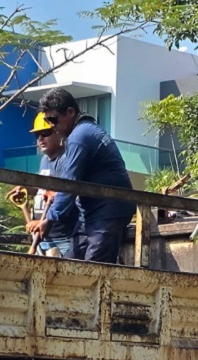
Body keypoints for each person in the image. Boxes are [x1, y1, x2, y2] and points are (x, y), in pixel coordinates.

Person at [27, 87, 136, 263]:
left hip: (108, 210)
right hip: (90, 212)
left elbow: (69, 183)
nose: (52, 126)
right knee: (72, 264)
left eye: (53, 119)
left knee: (94, 269)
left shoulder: (80, 136)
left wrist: (49, 219)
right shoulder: (83, 131)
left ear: (70, 112)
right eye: (48, 121)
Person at [11, 112, 80, 257]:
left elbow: (65, 194)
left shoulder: (66, 160)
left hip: (62, 236)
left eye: (45, 133)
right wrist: (26, 189)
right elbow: (44, 189)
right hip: (44, 236)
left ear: (57, 133)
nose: (40, 138)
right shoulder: (44, 161)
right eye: (37, 135)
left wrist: (42, 222)